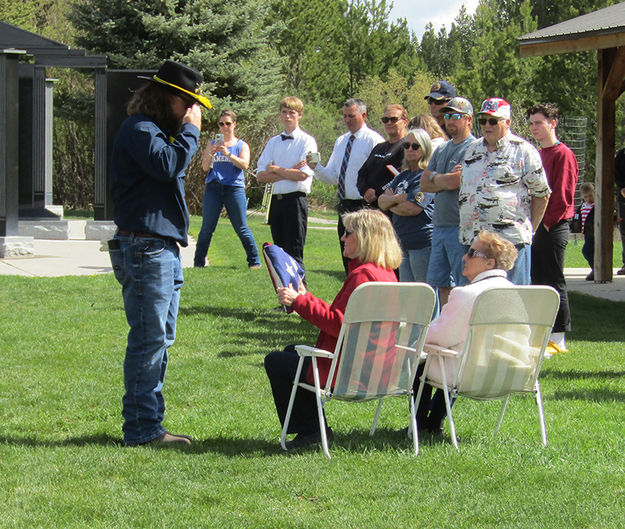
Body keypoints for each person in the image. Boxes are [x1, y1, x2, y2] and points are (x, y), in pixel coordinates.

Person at [108, 60, 210, 446]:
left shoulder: (152, 130)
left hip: (159, 247)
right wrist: (190, 133)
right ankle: (141, 429)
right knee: (149, 340)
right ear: (166, 97)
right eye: (187, 103)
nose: (191, 111)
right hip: (146, 248)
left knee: (159, 338)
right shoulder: (139, 129)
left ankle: (149, 423)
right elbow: (168, 166)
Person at [264, 209, 402, 450]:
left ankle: (312, 431)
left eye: (348, 233)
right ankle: (316, 427)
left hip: (350, 373)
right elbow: (345, 320)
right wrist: (304, 299)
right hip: (379, 370)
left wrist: (299, 301)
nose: (342, 238)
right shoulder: (387, 274)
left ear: (365, 237)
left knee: (276, 361)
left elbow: (338, 325)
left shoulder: (363, 277)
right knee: (291, 353)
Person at [414, 230, 518, 436]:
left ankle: (418, 427)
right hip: (509, 374)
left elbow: (438, 337)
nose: (464, 257)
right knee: (451, 355)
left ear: (489, 264)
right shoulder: (517, 293)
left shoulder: (467, 294)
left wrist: (413, 340)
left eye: (471, 253)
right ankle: (434, 423)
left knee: (420, 360)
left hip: (469, 374)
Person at [459, 98, 551, 285]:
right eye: (483, 120)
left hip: (510, 243)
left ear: (507, 123)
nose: (487, 125)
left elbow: (542, 194)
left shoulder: (524, 151)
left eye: (493, 121)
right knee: (477, 303)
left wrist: (529, 230)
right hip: (475, 243)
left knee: (512, 302)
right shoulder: (471, 150)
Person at [307, 98, 384, 272]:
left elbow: (379, 176)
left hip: (365, 207)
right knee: (347, 254)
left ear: (363, 116)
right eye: (344, 116)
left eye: (352, 116)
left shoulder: (374, 141)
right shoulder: (341, 141)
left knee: (365, 256)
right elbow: (334, 177)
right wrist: (316, 167)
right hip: (344, 205)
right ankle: (350, 291)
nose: (347, 120)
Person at [527, 103, 578, 353]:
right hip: (534, 226)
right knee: (536, 279)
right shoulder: (537, 153)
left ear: (552, 124)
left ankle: (558, 337)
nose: (534, 127)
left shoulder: (563, 153)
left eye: (539, 122)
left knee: (554, 280)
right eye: (532, 123)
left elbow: (562, 195)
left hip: (552, 226)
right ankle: (541, 333)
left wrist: (543, 224)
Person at [420, 97, 476, 306]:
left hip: (460, 226)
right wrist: (440, 178)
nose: (449, 120)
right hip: (439, 225)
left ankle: (461, 329)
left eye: (455, 116)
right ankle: (446, 325)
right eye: (447, 116)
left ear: (469, 119)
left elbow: (457, 181)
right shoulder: (442, 149)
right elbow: (424, 183)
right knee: (441, 283)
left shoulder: (473, 147)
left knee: (462, 284)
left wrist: (437, 177)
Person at [256, 97, 317, 275]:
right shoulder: (273, 142)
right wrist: (288, 171)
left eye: (292, 112)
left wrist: (276, 170)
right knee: (279, 255)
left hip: (295, 202)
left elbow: (303, 175)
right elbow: (260, 176)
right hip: (276, 202)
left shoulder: (307, 141)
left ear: (299, 115)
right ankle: (284, 301)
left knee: (294, 253)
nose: (287, 116)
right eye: (284, 112)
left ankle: (300, 300)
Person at [193, 109, 261, 269]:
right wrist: (212, 152)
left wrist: (228, 154)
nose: (224, 127)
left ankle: (254, 261)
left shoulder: (241, 145)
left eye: (228, 123)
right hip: (213, 188)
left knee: (241, 227)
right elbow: (204, 167)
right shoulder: (212, 144)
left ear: (234, 124)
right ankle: (198, 263)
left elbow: (245, 164)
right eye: (221, 124)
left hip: (234, 189)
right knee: (206, 228)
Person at [378, 128, 435, 282]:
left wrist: (392, 201)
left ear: (425, 148)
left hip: (422, 242)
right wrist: (399, 198)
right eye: (406, 145)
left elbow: (413, 208)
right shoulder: (403, 175)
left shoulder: (425, 176)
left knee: (424, 292)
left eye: (415, 146)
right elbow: (381, 202)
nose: (410, 149)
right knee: (408, 293)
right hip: (402, 243)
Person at [357, 104, 409, 209]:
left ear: (405, 122)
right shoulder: (379, 147)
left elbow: (400, 176)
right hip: (369, 207)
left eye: (394, 119)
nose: (389, 123)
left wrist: (377, 193)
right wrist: (365, 190)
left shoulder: (409, 147)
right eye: (385, 120)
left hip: (391, 208)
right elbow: (362, 173)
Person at [578, 182, 595, 280]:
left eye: (590, 196)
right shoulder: (583, 206)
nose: (588, 199)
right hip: (586, 233)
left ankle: (595, 269)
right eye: (585, 197)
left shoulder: (596, 205)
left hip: (593, 233)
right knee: (591, 251)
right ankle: (594, 270)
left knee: (586, 251)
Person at [615, 148, 625, 275]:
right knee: (624, 231)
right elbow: (615, 172)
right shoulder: (621, 155)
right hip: (623, 198)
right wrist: (622, 187)